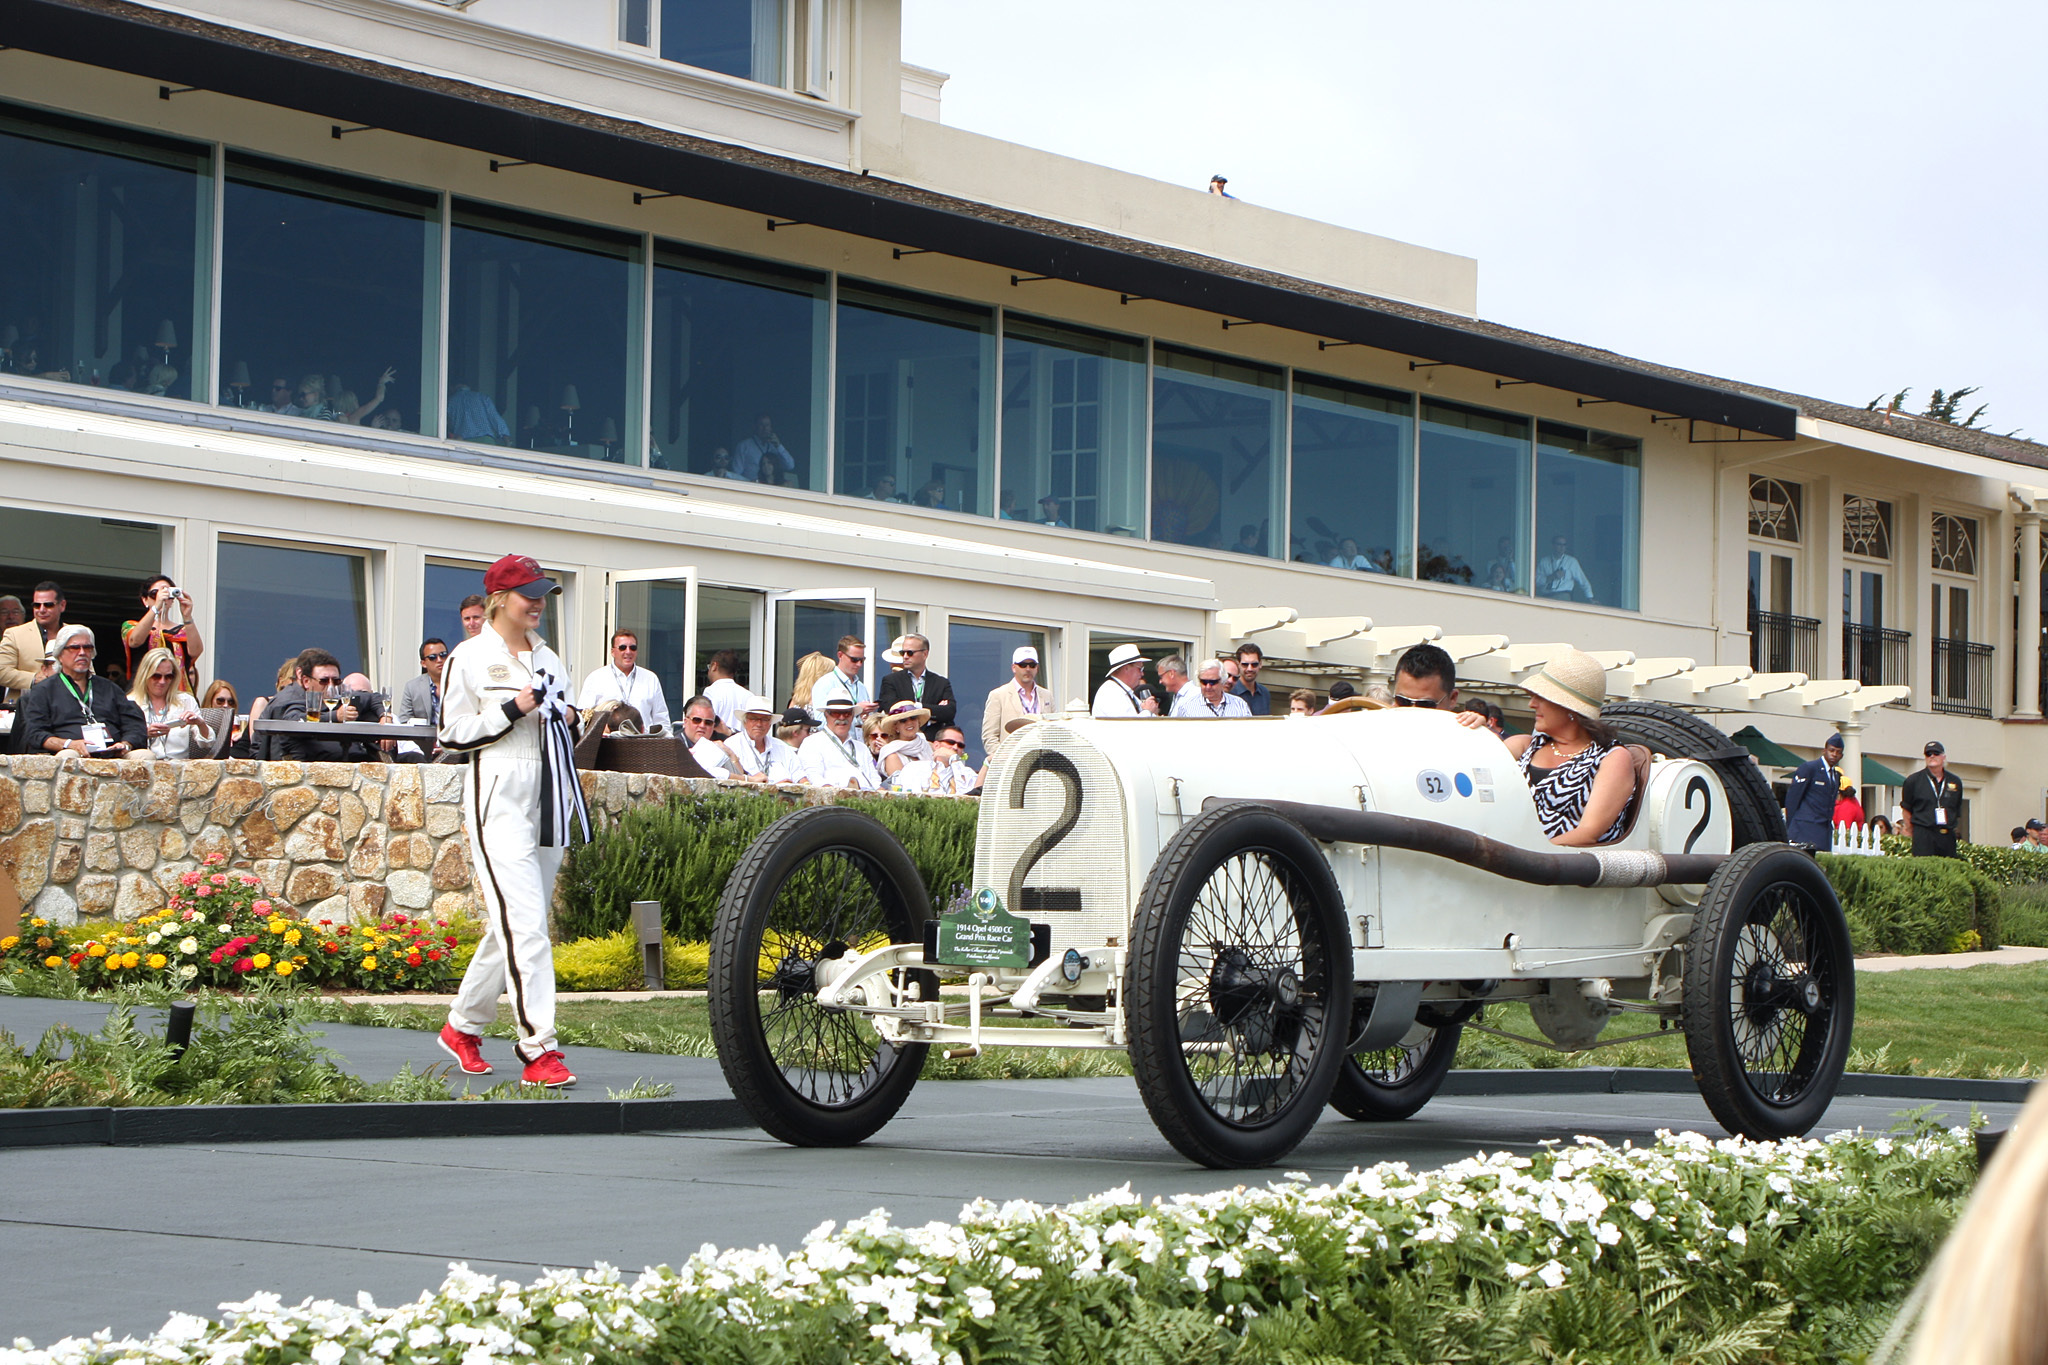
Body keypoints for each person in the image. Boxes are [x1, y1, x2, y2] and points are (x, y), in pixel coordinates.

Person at [435, 553, 587, 1090]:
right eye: (530, 593)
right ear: (500, 598)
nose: (539, 603)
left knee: (518, 923)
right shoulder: (470, 657)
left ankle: (462, 1026)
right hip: (498, 790)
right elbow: (450, 733)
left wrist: (569, 714)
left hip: (549, 791)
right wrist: (512, 709)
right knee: (526, 923)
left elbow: (572, 716)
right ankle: (538, 1046)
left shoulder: (549, 655)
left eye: (543, 592)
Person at [1503, 647, 1633, 847]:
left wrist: (1525, 858)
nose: (1531, 704)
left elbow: (1588, 833)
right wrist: (1474, 727)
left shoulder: (1612, 759)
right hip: (1505, 859)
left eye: (1541, 697)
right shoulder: (1523, 745)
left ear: (1569, 708)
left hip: (1568, 870)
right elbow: (1473, 771)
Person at [21, 624, 146, 758]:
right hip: (70, 752)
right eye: (75, 647)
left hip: (112, 753)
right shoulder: (44, 690)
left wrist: (126, 744)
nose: (82, 653)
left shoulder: (110, 688)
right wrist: (69, 744)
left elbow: (134, 724)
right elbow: (35, 733)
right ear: (60, 655)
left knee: (145, 756)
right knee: (68, 757)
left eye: (87, 648)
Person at [264, 649, 378, 763]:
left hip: (352, 761)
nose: (331, 686)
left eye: (336, 681)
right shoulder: (290, 699)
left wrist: (384, 716)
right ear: (306, 681)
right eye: (324, 681)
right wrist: (335, 716)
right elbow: (295, 720)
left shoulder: (338, 693)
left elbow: (375, 698)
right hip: (310, 768)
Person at [121, 574, 207, 694]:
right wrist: (156, 607)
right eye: (155, 593)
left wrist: (187, 616)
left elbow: (196, 651)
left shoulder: (183, 630)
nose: (162, 596)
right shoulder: (131, 626)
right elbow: (135, 641)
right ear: (145, 600)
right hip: (142, 694)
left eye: (167, 593)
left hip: (176, 697)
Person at [578, 629, 671, 733]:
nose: (628, 651)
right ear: (613, 652)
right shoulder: (596, 678)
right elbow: (583, 717)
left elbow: (661, 718)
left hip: (643, 743)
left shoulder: (650, 678)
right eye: (622, 648)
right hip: (608, 744)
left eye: (633, 648)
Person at [129, 645, 212, 760]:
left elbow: (207, 743)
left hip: (178, 768)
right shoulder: (130, 702)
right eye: (156, 676)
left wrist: (200, 723)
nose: (162, 682)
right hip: (145, 768)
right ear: (145, 675)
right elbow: (123, 741)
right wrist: (144, 734)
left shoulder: (185, 700)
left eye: (168, 676)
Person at [876, 634, 956, 740]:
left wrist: (916, 706)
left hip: (931, 742)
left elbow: (949, 712)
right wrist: (931, 714)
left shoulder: (941, 683)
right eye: (902, 653)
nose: (905, 656)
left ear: (925, 654)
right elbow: (892, 709)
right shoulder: (891, 680)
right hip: (901, 742)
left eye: (910, 653)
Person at [0, 580, 65, 705]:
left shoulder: (75, 634)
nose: (41, 610)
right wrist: (35, 678)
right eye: (37, 605)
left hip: (65, 708)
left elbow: (90, 675)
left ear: (62, 606)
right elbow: (1, 671)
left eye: (48, 605)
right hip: (24, 708)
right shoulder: (14, 634)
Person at [795, 696, 881, 790]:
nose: (842, 717)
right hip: (833, 800)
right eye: (836, 713)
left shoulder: (861, 747)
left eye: (847, 713)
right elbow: (813, 777)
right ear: (826, 715)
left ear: (852, 716)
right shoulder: (812, 743)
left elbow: (875, 779)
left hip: (867, 797)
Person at [1899, 741, 1964, 858]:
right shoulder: (1913, 781)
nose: (1932, 756)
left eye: (1936, 753)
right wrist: (1910, 831)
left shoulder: (1955, 781)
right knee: (1924, 867)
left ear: (1943, 757)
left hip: (1947, 833)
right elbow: (1906, 809)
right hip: (1924, 832)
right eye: (1928, 754)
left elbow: (1956, 808)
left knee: (1947, 868)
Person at [983, 645, 1049, 754]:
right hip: (1011, 761)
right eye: (1023, 665)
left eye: (1032, 665)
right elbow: (989, 736)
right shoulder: (998, 695)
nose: (1028, 669)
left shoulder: (1047, 695)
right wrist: (1003, 759)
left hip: (1040, 761)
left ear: (1037, 668)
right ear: (1014, 667)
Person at [1784, 735, 1846, 848]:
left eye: (1838, 752)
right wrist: (1791, 826)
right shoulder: (1810, 768)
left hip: (1824, 830)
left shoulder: (1836, 775)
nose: (1834, 754)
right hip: (1804, 828)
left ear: (1841, 756)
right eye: (1832, 750)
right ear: (1824, 751)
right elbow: (1793, 798)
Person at [723, 694, 799, 782]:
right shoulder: (732, 745)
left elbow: (799, 775)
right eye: (754, 719)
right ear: (745, 722)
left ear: (770, 724)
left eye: (764, 719)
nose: (759, 724)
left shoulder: (782, 747)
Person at [890, 724, 979, 795]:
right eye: (950, 742)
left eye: (960, 745)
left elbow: (966, 796)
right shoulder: (915, 768)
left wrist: (954, 760)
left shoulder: (968, 773)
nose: (955, 747)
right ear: (936, 745)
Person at [809, 635, 874, 720]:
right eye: (854, 659)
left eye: (862, 660)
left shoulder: (861, 687)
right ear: (840, 655)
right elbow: (821, 721)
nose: (859, 664)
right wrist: (855, 711)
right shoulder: (825, 683)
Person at [1093, 642, 1157, 717]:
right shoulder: (1110, 691)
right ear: (1126, 668)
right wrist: (1147, 711)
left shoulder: (1123, 691)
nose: (1142, 674)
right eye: (1140, 669)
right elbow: (1125, 725)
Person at [872, 700, 932, 779]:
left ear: (918, 722)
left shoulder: (929, 746)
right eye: (903, 720)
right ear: (896, 727)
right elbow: (901, 786)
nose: (909, 723)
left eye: (913, 718)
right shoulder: (891, 754)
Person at [1172, 660, 1251, 717]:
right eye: (1204, 682)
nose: (1208, 687)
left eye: (1213, 682)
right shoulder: (1186, 707)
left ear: (1222, 681)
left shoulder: (1240, 705)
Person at [678, 696, 732, 776]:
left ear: (713, 726)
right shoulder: (675, 744)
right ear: (685, 722)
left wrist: (731, 754)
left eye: (708, 722)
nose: (702, 725)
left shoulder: (721, 743)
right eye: (697, 720)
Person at [733, 412, 794, 483]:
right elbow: (736, 474)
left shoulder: (774, 447)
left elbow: (790, 465)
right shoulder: (744, 446)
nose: (765, 428)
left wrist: (779, 446)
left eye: (767, 425)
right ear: (755, 427)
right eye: (761, 425)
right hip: (751, 487)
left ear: (771, 428)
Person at [702, 649, 749, 738]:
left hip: (719, 743)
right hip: (742, 745)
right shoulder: (748, 695)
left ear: (714, 666)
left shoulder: (711, 691)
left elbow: (708, 721)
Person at [198, 678, 250, 758]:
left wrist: (242, 740)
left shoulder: (236, 726)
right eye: (220, 701)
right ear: (210, 701)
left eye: (230, 702)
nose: (226, 705)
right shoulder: (200, 724)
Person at [1535, 534, 1595, 602]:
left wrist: (1590, 598)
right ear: (1553, 545)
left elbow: (1583, 581)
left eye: (1564, 545)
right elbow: (1536, 581)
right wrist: (1551, 577)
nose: (1562, 547)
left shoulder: (1571, 561)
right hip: (1546, 597)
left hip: (1563, 596)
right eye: (1559, 544)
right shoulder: (1544, 561)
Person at [447, 383, 511, 444]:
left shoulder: (450, 401)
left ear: (452, 387)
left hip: (463, 442)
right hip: (485, 441)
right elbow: (495, 419)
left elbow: (448, 424)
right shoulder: (482, 397)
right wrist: (506, 439)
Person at [1231, 643, 1272, 716]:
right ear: (1238, 664)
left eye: (1254, 664)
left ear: (1260, 664)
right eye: (1245, 664)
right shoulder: (1230, 692)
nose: (1250, 669)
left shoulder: (1264, 693)